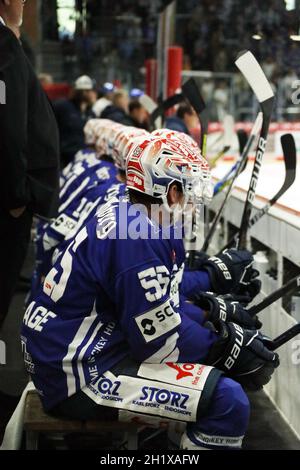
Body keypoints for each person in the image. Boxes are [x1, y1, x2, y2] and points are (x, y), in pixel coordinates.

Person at [21, 136, 279, 450]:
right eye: (191, 190)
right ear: (170, 191)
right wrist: (224, 346)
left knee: (208, 378)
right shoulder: (139, 236)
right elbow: (159, 344)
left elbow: (157, 304)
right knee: (228, 400)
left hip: (63, 352)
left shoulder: (131, 211)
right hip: (77, 376)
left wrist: (209, 312)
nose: (195, 202)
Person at [0, 0, 60, 329]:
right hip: (7, 204)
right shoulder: (4, 44)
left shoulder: (9, 40)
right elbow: (10, 127)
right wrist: (16, 198)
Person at [53, 75, 97, 167]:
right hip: (63, 158)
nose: (93, 94)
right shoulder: (62, 107)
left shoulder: (90, 112)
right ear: (83, 92)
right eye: (90, 91)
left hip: (82, 158)